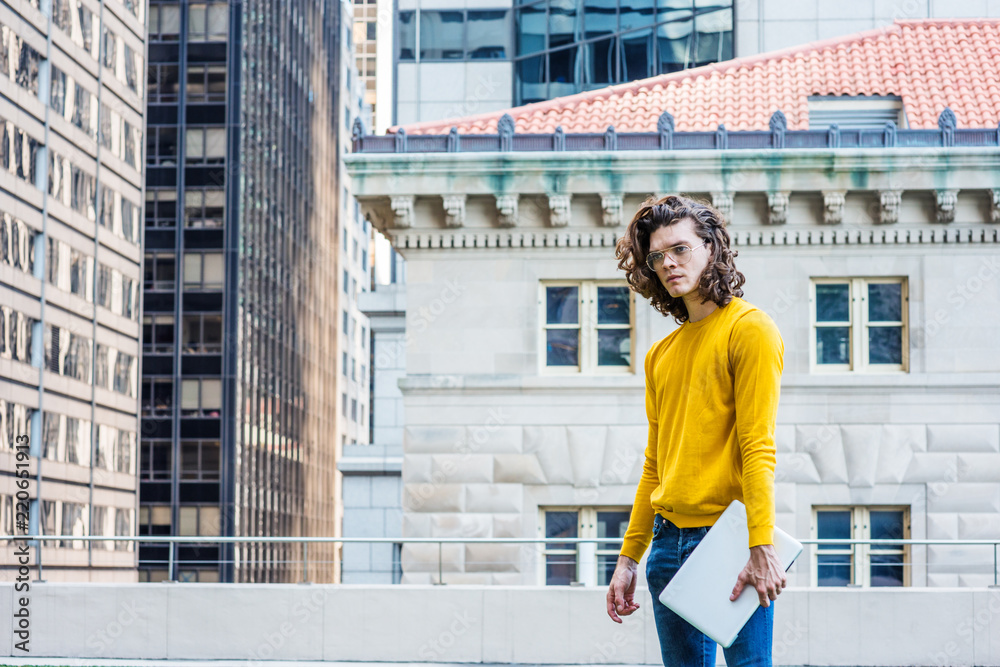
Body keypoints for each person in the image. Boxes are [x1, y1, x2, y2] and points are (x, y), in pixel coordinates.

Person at [605, 195, 786, 667]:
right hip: (667, 548)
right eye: (657, 256)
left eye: (680, 249)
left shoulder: (750, 330)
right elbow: (654, 464)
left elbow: (757, 447)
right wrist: (629, 559)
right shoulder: (659, 355)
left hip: (729, 543)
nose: (668, 263)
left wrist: (760, 545)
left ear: (711, 247)